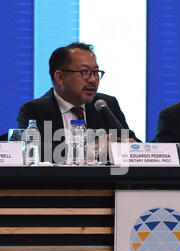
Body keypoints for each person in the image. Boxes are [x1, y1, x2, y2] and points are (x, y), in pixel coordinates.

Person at [8, 42, 139, 162]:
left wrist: (130, 148)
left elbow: (134, 144)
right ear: (60, 77)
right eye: (85, 72)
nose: (93, 80)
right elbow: (28, 151)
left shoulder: (106, 104)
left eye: (95, 72)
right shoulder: (35, 110)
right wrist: (91, 149)